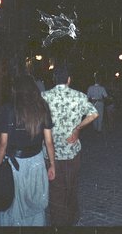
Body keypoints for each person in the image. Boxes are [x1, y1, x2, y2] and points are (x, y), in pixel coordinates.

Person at [0, 75, 55, 226]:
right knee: (34, 204)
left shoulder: (7, 109)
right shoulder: (42, 107)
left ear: (15, 90)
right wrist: (52, 164)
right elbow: (48, 141)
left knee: (14, 205)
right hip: (37, 163)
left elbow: (3, 143)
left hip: (15, 166)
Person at [42, 66, 98, 226]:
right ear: (69, 79)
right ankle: (72, 217)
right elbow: (94, 114)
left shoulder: (44, 96)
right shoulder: (79, 96)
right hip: (72, 150)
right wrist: (77, 128)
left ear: (54, 79)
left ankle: (59, 222)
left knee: (56, 189)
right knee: (72, 184)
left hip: (51, 152)